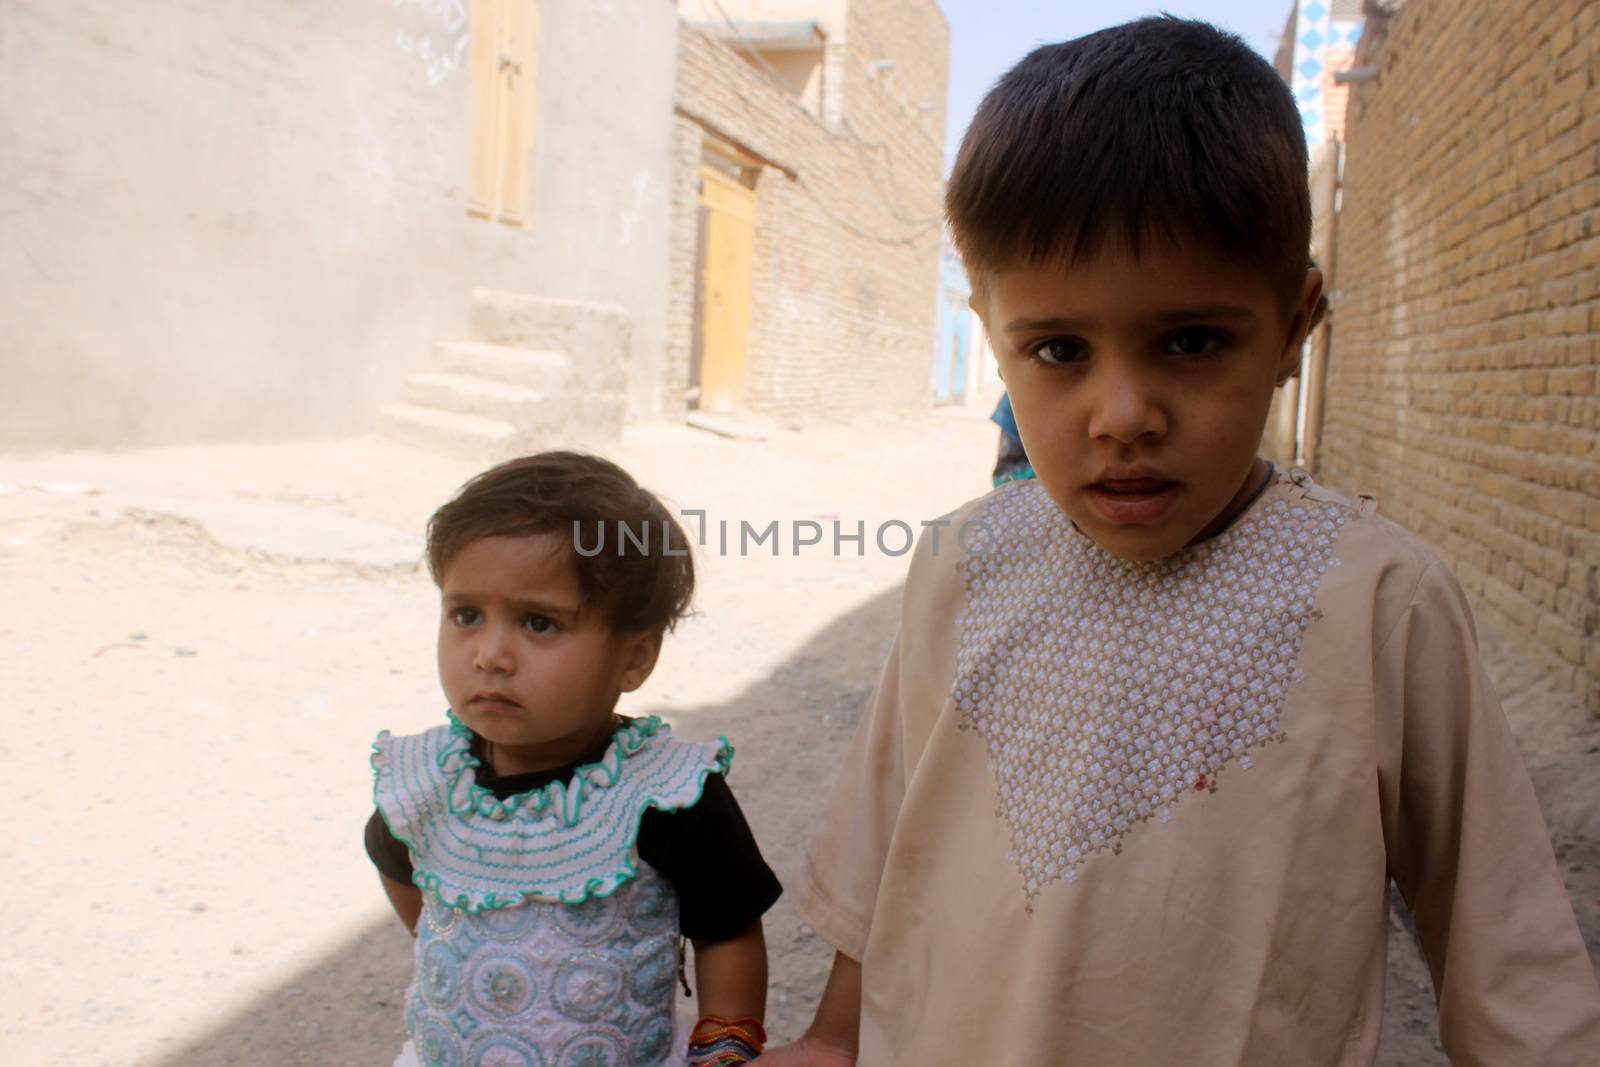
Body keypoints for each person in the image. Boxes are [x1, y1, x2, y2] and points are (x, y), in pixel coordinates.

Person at [758, 17, 1600, 1066]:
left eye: (1191, 341)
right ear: (988, 325)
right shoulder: (960, 567)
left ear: (1293, 325)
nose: (1122, 413)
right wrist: (835, 1035)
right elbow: (895, 835)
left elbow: (1503, 937)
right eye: (1059, 348)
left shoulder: (1382, 603)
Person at [366, 452, 780, 1067]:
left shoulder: (666, 793)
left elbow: (728, 928)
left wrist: (724, 1044)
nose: (490, 654)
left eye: (539, 622)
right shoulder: (427, 782)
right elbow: (402, 869)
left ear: (634, 658)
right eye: (466, 615)